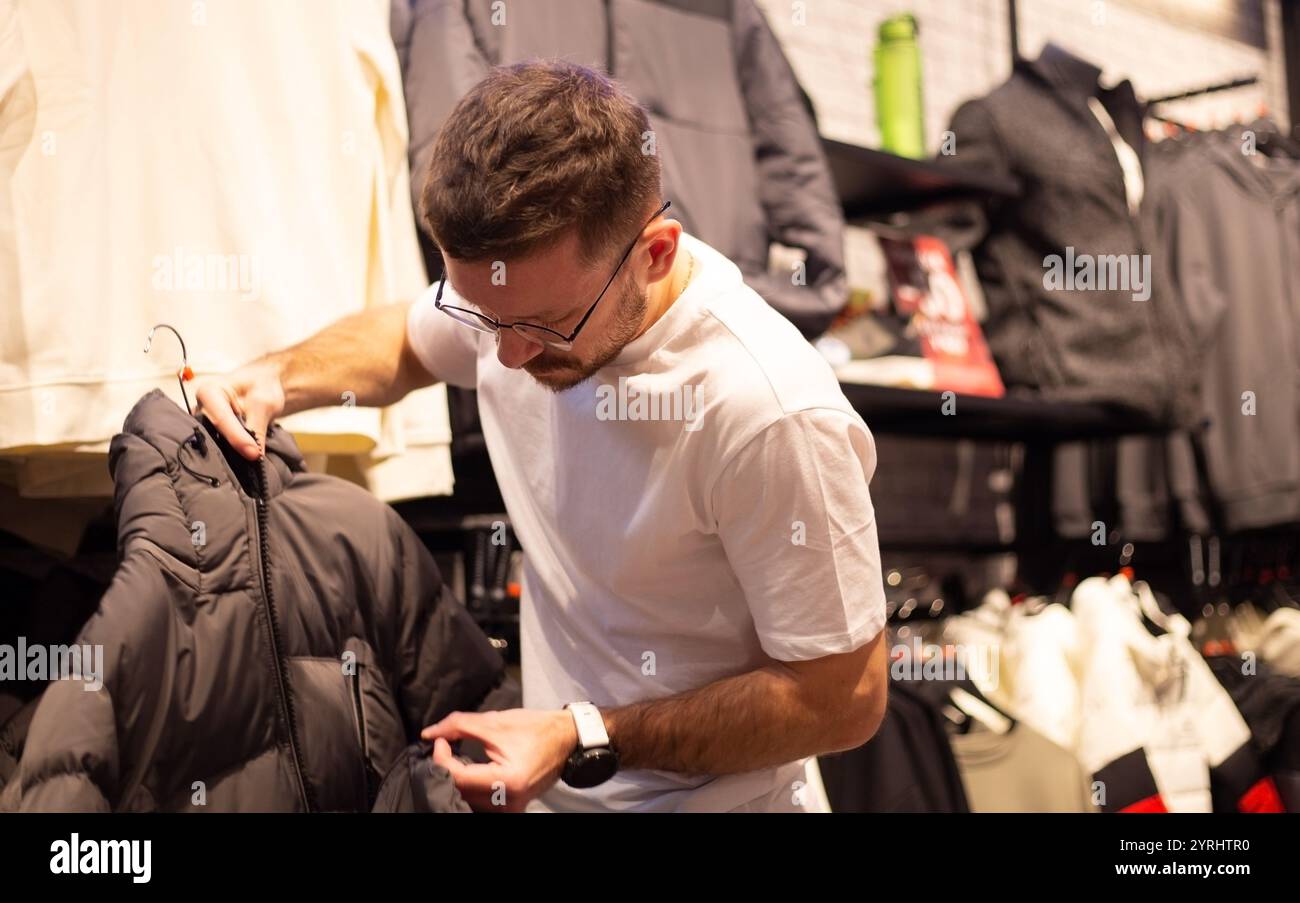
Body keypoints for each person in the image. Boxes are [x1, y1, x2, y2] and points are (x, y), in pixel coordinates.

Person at [196, 60, 888, 813]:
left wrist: (583, 734)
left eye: (540, 328)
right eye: (484, 317)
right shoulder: (516, 302)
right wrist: (274, 377)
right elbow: (406, 338)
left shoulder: (769, 410)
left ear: (654, 252)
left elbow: (843, 698)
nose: (507, 356)